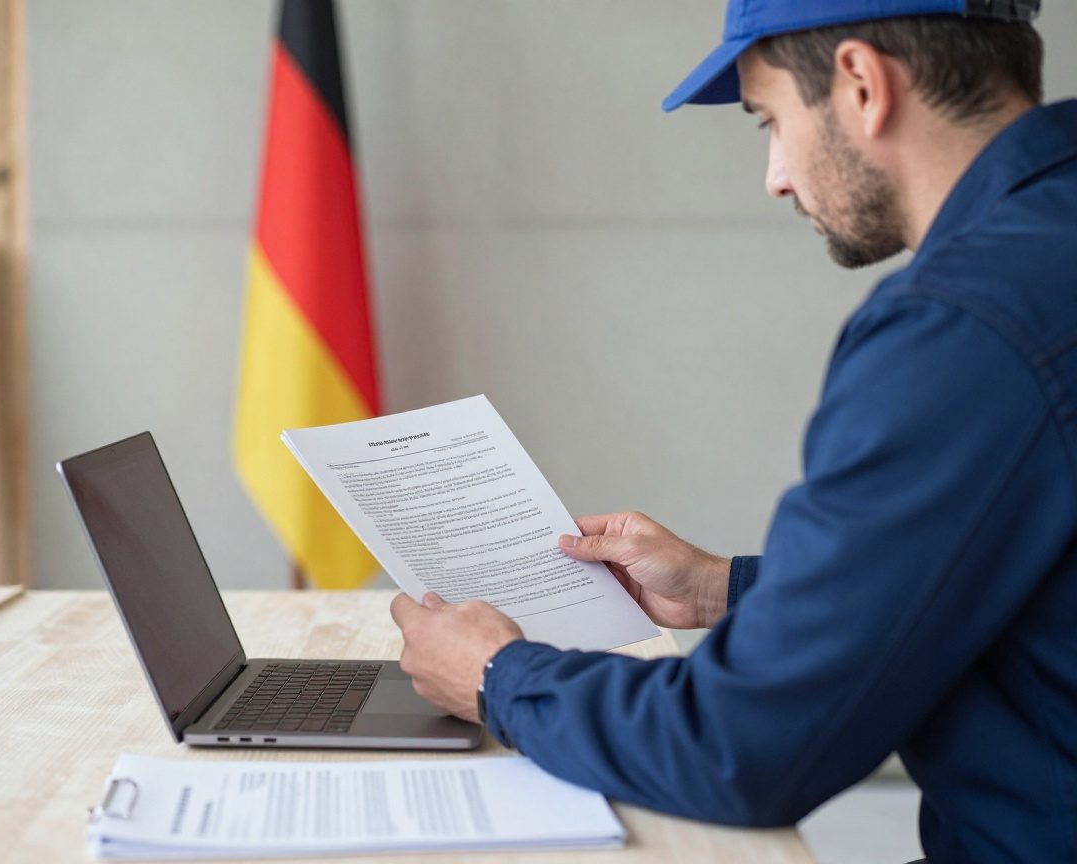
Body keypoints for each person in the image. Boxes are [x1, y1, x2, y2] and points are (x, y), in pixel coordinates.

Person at [389, 1, 1077, 860]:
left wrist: (497, 678)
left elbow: (747, 748)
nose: (777, 176)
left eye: (772, 120)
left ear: (863, 84)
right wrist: (723, 589)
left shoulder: (964, 327)